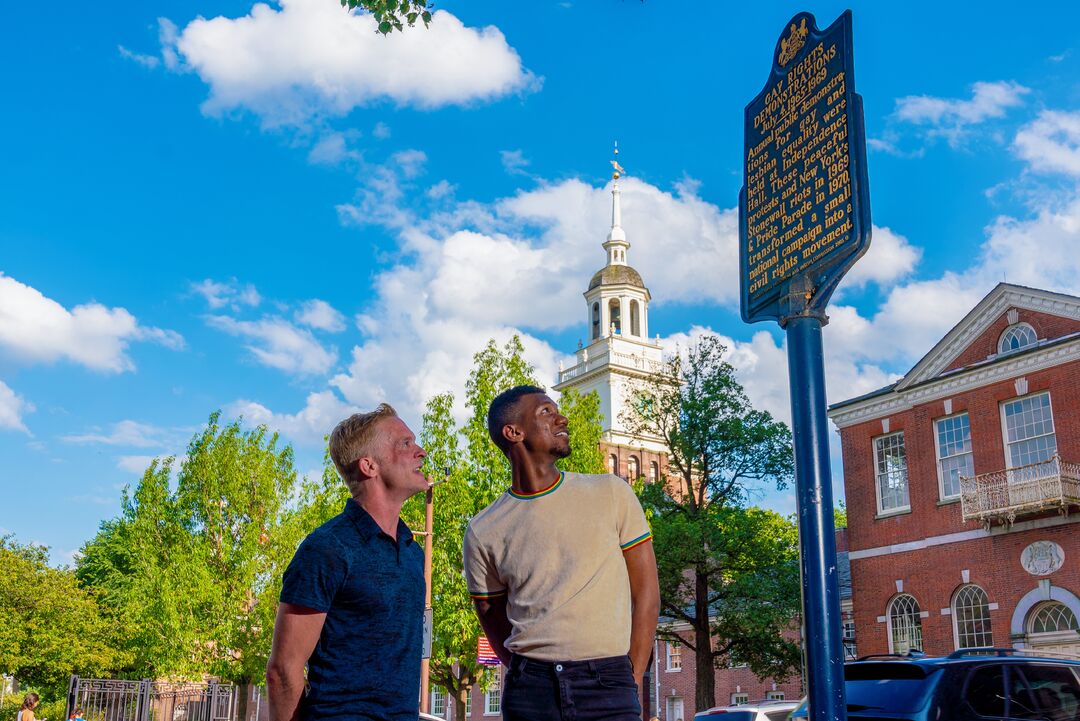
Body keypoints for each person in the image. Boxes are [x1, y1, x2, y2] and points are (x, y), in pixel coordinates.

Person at [464, 385, 660, 721]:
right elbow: (491, 615)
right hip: (531, 692)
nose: (561, 418)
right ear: (513, 432)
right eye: (545, 412)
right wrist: (528, 672)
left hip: (609, 681)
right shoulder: (483, 530)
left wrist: (631, 675)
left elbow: (647, 594)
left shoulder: (611, 492)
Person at [266, 404, 429, 721]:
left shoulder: (412, 552)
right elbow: (282, 670)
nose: (420, 452)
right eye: (405, 444)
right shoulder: (327, 549)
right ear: (369, 466)